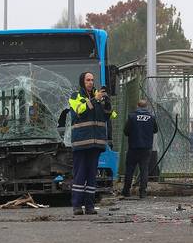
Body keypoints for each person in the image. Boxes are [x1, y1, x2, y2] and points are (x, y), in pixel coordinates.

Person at [68, 72, 117, 215]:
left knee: (91, 176)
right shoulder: (75, 96)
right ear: (82, 81)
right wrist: (95, 100)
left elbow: (111, 115)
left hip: (96, 144)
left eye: (92, 80)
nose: (90, 82)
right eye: (88, 80)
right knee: (80, 175)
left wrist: (107, 102)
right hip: (81, 143)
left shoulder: (98, 97)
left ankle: (90, 206)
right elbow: (79, 111)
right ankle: (77, 206)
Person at [122, 98, 159, 199]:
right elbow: (155, 130)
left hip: (133, 147)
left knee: (130, 169)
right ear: (146, 107)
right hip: (146, 148)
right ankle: (142, 192)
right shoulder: (151, 117)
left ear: (137, 106)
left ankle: (126, 191)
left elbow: (125, 131)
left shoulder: (132, 117)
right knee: (144, 170)